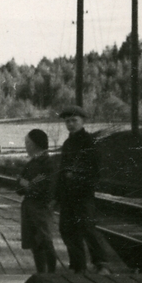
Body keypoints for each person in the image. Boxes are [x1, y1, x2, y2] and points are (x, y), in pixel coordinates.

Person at [57, 106, 110, 274]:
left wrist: (77, 176)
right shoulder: (67, 144)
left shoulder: (89, 142)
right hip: (67, 195)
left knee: (87, 227)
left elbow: (95, 170)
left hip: (83, 193)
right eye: (67, 121)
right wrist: (57, 195)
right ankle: (78, 265)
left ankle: (101, 264)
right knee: (67, 229)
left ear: (82, 121)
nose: (70, 124)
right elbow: (62, 170)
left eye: (74, 120)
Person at [17, 128, 58, 273]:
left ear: (36, 144)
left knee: (44, 241)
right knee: (35, 244)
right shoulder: (32, 163)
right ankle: (42, 275)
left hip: (40, 208)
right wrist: (27, 185)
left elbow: (47, 188)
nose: (26, 146)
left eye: (27, 143)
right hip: (30, 207)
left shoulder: (47, 163)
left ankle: (51, 275)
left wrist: (27, 185)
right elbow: (19, 187)